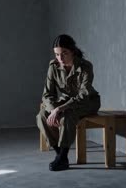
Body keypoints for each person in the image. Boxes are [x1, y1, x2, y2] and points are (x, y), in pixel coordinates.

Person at [36, 34, 101, 171]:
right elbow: (47, 94)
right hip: (66, 100)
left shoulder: (85, 66)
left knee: (68, 115)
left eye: (64, 53)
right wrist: (54, 109)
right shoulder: (53, 67)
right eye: (57, 54)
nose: (60, 58)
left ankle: (62, 156)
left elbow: (83, 95)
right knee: (42, 115)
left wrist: (60, 109)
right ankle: (60, 156)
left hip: (88, 102)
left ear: (72, 50)